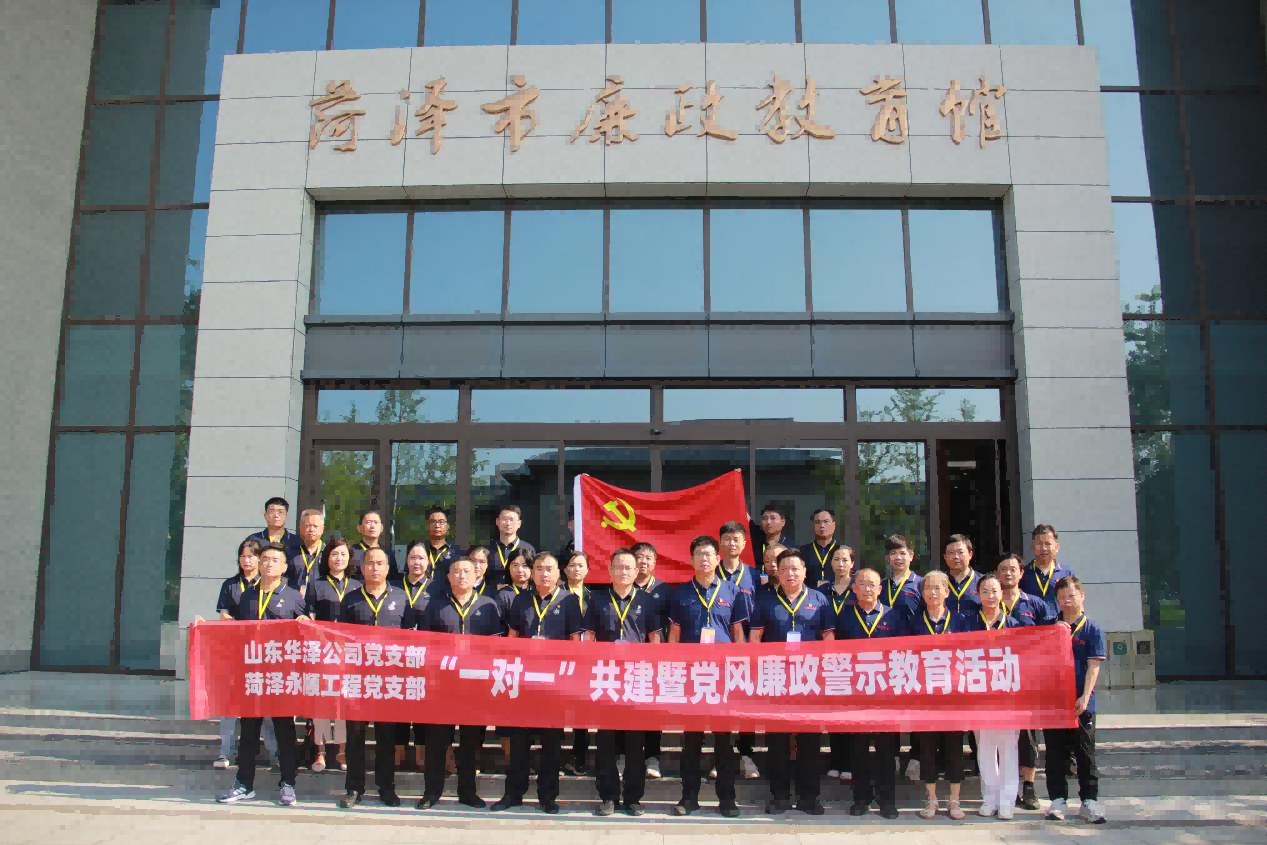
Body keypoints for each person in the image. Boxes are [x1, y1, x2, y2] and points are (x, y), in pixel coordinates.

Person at [493, 552, 586, 814]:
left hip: (554, 685)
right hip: (524, 682)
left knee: (551, 744)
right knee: (519, 742)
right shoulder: (521, 600)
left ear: (559, 573)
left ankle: (548, 797)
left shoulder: (569, 601)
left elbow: (575, 643)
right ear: (532, 573)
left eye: (549, 569)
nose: (544, 574)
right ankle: (513, 794)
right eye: (539, 569)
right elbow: (512, 637)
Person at [213, 542, 305, 807]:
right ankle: (244, 784)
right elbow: (236, 631)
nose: (268, 563)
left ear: (284, 567)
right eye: (264, 559)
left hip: (281, 677)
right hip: (252, 675)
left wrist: (305, 624)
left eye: (275, 560)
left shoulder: (294, 597)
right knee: (249, 732)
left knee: (285, 731)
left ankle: (288, 784)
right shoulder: (247, 596)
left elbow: (306, 634)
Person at [667, 535, 747, 817]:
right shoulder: (680, 593)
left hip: (723, 676)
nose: (704, 559)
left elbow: (738, 634)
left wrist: (740, 669)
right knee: (691, 741)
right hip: (692, 677)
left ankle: (727, 799)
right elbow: (674, 634)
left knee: (724, 741)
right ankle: (689, 797)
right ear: (691, 559)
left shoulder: (733, 591)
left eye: (709, 554)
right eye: (699, 554)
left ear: (718, 558)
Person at [749, 549, 833, 816]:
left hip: (809, 680)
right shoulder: (765, 601)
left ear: (805, 572)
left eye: (795, 568)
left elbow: (828, 639)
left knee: (810, 742)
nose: (790, 573)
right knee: (777, 742)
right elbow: (755, 639)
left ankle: (809, 797)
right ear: (777, 572)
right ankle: (779, 797)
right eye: (784, 569)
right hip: (777, 680)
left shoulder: (819, 600)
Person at [415, 557, 503, 810]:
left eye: (467, 571)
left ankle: (468, 792)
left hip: (475, 685)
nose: (462, 576)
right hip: (443, 685)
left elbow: (496, 647)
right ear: (449, 577)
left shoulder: (488, 606)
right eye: (457, 572)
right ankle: (432, 792)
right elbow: (425, 645)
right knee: (437, 742)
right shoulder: (435, 606)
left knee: (471, 743)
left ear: (476, 576)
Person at [586, 548, 661, 817]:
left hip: (636, 677)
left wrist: (652, 672)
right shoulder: (596, 599)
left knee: (634, 743)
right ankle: (608, 796)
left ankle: (632, 799)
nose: (623, 572)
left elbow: (655, 639)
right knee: (606, 742)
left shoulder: (648, 600)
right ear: (609, 570)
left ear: (637, 571)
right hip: (606, 677)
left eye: (629, 567)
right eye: (618, 567)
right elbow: (588, 637)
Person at [337, 548, 411, 809]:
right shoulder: (350, 600)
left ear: (388, 568)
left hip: (389, 681)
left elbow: (410, 639)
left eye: (380, 563)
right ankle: (353, 788)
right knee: (355, 738)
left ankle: (386, 788)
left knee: (386, 738)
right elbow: (340, 638)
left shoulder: (401, 598)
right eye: (370, 563)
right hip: (358, 680)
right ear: (362, 567)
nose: (375, 568)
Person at [835, 567, 900, 819]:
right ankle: (860, 799)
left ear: (880, 589)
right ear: (854, 588)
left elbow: (904, 652)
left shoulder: (893, 616)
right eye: (862, 584)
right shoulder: (844, 617)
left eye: (872, 584)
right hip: (857, 694)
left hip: (885, 695)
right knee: (858, 750)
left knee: (886, 751)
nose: (867, 589)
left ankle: (887, 800)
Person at [904, 571, 967, 820]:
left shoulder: (961, 621)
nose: (932, 592)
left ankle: (954, 800)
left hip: (954, 699)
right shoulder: (914, 623)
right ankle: (931, 799)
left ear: (947, 592)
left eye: (938, 587)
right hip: (925, 698)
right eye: (927, 588)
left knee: (954, 750)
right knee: (927, 749)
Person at [1044, 576, 1106, 824]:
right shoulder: (1050, 627)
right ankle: (1057, 800)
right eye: (1062, 597)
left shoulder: (1092, 629)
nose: (1067, 601)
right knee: (1055, 754)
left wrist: (1085, 696)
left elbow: (1094, 667)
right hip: (1054, 703)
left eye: (1071, 595)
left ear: (1082, 596)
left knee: (1085, 754)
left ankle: (1089, 801)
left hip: (1082, 703)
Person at [211, 539, 278, 770]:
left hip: (265, 654)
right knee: (230, 706)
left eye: (251, 556)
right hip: (236, 651)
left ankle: (275, 753)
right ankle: (225, 752)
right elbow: (223, 615)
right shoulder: (230, 585)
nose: (247, 560)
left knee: (267, 707)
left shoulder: (270, 584)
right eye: (243, 556)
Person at [995, 552, 1053, 809]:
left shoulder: (1036, 604)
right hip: (996, 680)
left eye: (1012, 569)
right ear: (996, 575)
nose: (1007, 573)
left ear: (1021, 573)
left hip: (1027, 679)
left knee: (1028, 735)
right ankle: (1004, 787)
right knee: (1000, 735)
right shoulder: (988, 604)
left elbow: (1051, 637)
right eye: (1002, 569)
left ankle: (1029, 786)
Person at [962, 573, 1021, 819]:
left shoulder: (1014, 625)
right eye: (985, 591)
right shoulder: (969, 624)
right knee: (985, 749)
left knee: (1008, 749)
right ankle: (989, 798)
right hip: (979, 697)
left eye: (994, 591)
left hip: (1008, 697)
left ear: (1002, 594)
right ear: (978, 594)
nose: (990, 596)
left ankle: (1007, 800)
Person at [304, 538, 358, 774]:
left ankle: (342, 751)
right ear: (327, 558)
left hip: (349, 653)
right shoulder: (316, 585)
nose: (339, 558)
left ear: (349, 559)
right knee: (322, 704)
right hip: (323, 651)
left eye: (343, 554)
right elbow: (310, 617)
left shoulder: (357, 585)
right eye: (334, 554)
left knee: (343, 704)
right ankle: (320, 752)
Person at [718, 521, 760, 781]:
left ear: (744, 544)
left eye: (736, 539)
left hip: (747, 648)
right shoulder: (710, 572)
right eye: (727, 539)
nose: (732, 543)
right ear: (720, 543)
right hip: (718, 649)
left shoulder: (755, 575)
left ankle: (746, 753)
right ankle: (721, 755)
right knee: (720, 703)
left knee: (746, 702)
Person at [395, 540, 439, 773]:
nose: (417, 562)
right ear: (406, 561)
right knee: (399, 707)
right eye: (412, 557)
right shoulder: (394, 586)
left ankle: (422, 756)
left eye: (421, 558)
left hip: (426, 658)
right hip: (397, 658)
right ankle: (398, 755)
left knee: (423, 708)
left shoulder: (438, 588)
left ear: (429, 562)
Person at [632, 541, 670, 780]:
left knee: (654, 709)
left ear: (655, 562)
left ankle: (652, 757)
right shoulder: (623, 587)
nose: (643, 561)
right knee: (628, 708)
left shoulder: (664, 589)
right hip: (628, 660)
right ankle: (627, 755)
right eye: (639, 556)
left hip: (656, 658)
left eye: (648, 557)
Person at [494, 547, 534, 768]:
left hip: (534, 663)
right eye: (515, 565)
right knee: (508, 713)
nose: (520, 570)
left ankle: (527, 758)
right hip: (508, 661)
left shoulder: (538, 592)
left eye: (525, 565)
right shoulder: (503, 595)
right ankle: (511, 759)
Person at [819, 544, 855, 782]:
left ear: (852, 563)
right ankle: (835, 760)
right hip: (830, 657)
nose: (840, 564)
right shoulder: (822, 591)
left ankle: (849, 762)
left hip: (854, 658)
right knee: (833, 711)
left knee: (851, 712)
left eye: (845, 560)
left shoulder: (859, 587)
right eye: (836, 560)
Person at [562, 551, 594, 777]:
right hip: (562, 659)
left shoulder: (595, 597)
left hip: (587, 660)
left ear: (588, 570)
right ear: (564, 569)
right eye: (572, 565)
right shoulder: (558, 595)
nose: (576, 569)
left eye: (581, 565)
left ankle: (579, 757)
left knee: (583, 710)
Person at [1020, 524, 1074, 621]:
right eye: (1039, 544)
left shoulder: (1066, 573)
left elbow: (1075, 604)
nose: (1043, 548)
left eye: (1048, 544)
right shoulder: (1023, 574)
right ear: (1032, 546)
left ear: (1057, 547)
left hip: (1059, 626)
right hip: (1032, 627)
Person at [879, 534, 922, 626]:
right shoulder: (881, 585)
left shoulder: (921, 584)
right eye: (893, 553)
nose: (898, 558)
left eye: (902, 553)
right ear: (888, 557)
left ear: (911, 556)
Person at [490, 505, 537, 587]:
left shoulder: (528, 548)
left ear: (519, 523)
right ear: (497, 522)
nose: (508, 523)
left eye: (512, 520)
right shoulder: (488, 549)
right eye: (504, 519)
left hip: (520, 593)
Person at [245, 497, 301, 562]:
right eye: (272, 511)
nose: (276, 515)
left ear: (287, 516)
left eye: (280, 512)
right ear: (265, 515)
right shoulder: (254, 540)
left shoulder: (296, 541)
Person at [942, 534, 981, 621]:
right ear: (945, 557)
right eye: (951, 553)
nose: (956, 557)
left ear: (970, 554)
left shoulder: (983, 582)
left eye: (960, 552)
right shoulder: (939, 582)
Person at [287, 509, 325, 595]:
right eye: (308, 525)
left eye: (315, 526)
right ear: (301, 528)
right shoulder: (289, 551)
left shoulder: (328, 553)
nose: (311, 529)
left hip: (321, 599)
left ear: (322, 529)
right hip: (293, 598)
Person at [798, 509, 840, 587]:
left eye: (826, 521)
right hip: (809, 592)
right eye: (818, 522)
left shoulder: (842, 551)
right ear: (813, 526)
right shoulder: (802, 551)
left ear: (834, 525)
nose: (822, 526)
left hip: (836, 592)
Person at [421, 506, 463, 581]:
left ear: (448, 526)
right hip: (422, 588)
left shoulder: (456, 552)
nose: (437, 525)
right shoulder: (420, 550)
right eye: (433, 522)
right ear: (427, 525)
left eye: (441, 522)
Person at [753, 504, 794, 573]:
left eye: (773, 518)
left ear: (783, 522)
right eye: (765, 518)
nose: (768, 522)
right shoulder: (754, 545)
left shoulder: (791, 548)